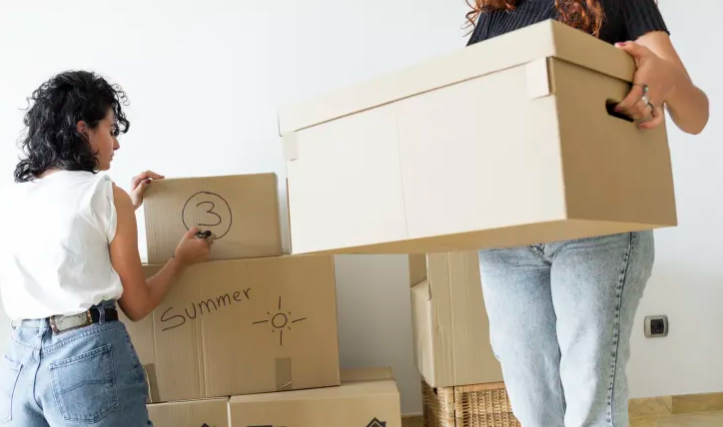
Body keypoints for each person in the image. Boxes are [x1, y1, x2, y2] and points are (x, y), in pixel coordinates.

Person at [466, 1, 709, 426]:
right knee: (533, 406)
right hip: (509, 233)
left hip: (598, 225)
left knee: (590, 403)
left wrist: (666, 79)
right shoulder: (496, 14)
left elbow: (696, 116)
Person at [0, 71, 213, 426]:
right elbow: (137, 304)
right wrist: (181, 259)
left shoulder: (12, 199)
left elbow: (65, 246)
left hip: (18, 366)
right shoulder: (104, 194)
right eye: (111, 131)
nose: (116, 144)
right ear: (83, 130)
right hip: (84, 362)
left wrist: (127, 208)